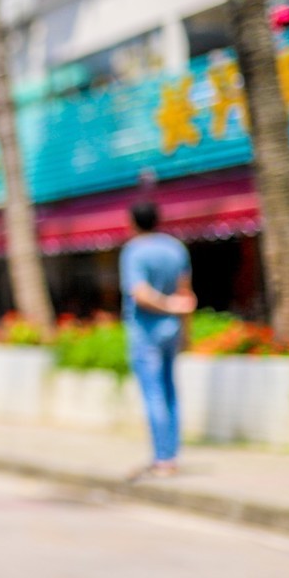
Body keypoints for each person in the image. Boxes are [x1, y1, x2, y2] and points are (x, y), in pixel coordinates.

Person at [120, 201, 195, 481]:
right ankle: (171, 456)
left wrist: (167, 305)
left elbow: (139, 293)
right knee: (170, 392)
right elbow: (186, 294)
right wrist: (187, 331)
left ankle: (162, 459)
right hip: (172, 331)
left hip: (146, 332)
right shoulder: (175, 248)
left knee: (154, 394)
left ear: (133, 221)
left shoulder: (134, 250)